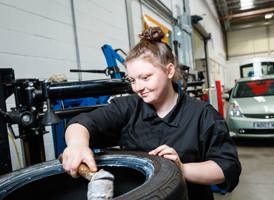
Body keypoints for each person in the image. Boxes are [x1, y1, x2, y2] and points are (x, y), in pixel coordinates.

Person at [62, 26, 241, 200]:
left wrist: (182, 169)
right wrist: (77, 144)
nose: (138, 88)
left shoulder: (202, 115)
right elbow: (82, 123)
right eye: (132, 80)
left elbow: (225, 167)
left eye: (145, 77)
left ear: (169, 70)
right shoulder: (127, 108)